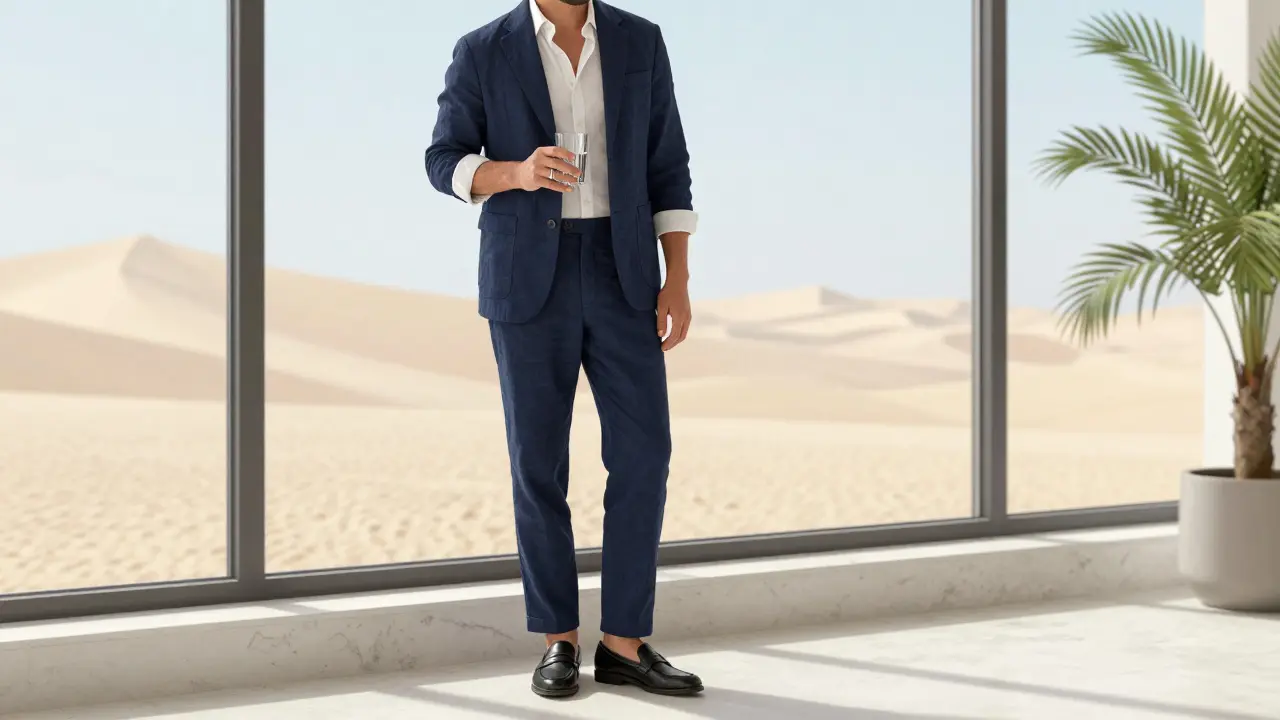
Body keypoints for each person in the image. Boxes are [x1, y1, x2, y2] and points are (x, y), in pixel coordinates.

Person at [424, 0, 702, 700]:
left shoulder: (641, 41)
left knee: (645, 453)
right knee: (538, 462)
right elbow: (443, 160)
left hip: (623, 271)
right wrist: (514, 173)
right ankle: (557, 639)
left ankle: (624, 643)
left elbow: (668, 162)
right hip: (527, 278)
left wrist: (679, 279)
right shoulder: (484, 49)